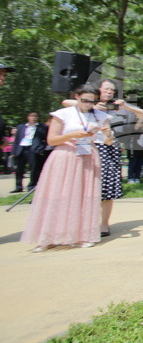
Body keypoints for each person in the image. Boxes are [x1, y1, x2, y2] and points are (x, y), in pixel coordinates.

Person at [20, 85, 108, 251]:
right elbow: (52, 140)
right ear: (76, 97)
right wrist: (73, 135)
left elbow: (107, 141)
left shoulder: (101, 116)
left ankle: (81, 236)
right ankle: (47, 237)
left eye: (92, 101)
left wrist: (107, 134)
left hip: (88, 157)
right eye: (85, 100)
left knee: (84, 196)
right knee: (56, 195)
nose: (88, 104)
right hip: (65, 155)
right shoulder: (62, 114)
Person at [65, 79, 143, 237]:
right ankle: (85, 222)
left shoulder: (117, 107)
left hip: (109, 148)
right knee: (85, 188)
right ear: (99, 90)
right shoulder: (86, 104)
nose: (109, 92)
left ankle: (104, 224)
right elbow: (66, 102)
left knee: (107, 190)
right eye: (106, 89)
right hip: (87, 148)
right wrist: (92, 105)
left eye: (112, 90)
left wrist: (126, 106)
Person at [12, 112, 48, 193]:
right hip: (22, 149)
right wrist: (14, 151)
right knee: (19, 169)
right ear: (28, 117)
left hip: (33, 149)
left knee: (34, 169)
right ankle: (18, 186)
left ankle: (32, 186)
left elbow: (46, 140)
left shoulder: (42, 127)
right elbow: (17, 140)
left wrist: (41, 149)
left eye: (35, 116)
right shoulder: (21, 127)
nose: (33, 118)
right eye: (32, 116)